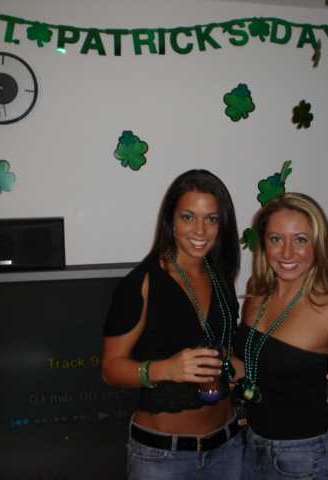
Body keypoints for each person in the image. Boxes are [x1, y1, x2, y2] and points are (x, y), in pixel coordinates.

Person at [101, 169, 243, 480]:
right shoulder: (143, 282)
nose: (200, 230)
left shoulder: (222, 279)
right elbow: (111, 370)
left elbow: (224, 353)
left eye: (211, 219)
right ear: (171, 221)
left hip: (228, 447)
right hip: (163, 458)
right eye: (188, 217)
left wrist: (234, 368)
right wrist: (167, 369)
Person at [234, 192, 328, 480]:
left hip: (303, 459)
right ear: (264, 243)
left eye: (300, 240)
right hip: (250, 447)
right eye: (276, 239)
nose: (286, 253)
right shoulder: (257, 293)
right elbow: (252, 365)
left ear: (318, 244)